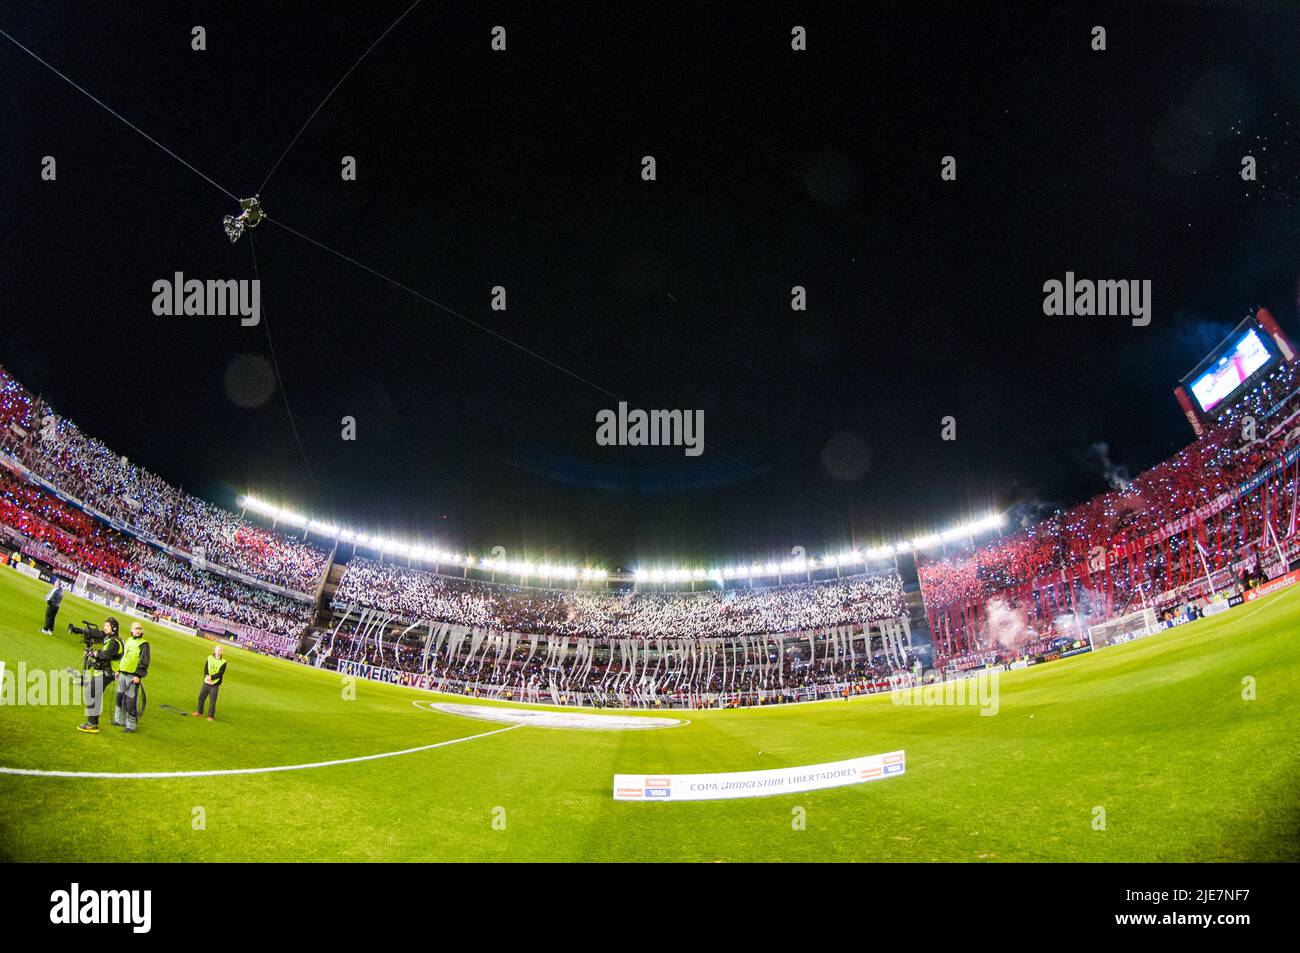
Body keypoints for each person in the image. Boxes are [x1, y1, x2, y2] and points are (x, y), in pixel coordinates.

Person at [77, 618, 123, 734]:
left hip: (107, 673)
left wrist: (94, 653)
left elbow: (106, 655)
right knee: (94, 694)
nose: (104, 628)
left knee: (91, 694)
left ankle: (92, 724)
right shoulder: (110, 639)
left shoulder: (114, 642)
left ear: (114, 628)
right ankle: (93, 722)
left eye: (107, 626)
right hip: (104, 672)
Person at [113, 622, 150, 733]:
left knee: (130, 700)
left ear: (142, 631)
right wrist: (118, 669)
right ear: (132, 630)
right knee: (119, 697)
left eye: (139, 628)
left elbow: (144, 660)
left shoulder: (144, 644)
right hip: (123, 673)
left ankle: (131, 725)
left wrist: (138, 675)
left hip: (133, 676)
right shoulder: (128, 640)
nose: (138, 630)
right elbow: (124, 656)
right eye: (135, 628)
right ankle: (119, 720)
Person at [193, 645, 227, 722]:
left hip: (214, 684)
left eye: (219, 651)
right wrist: (206, 677)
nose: (218, 652)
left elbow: (220, 673)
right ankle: (199, 712)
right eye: (217, 650)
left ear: (222, 652)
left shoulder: (224, 662)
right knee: (201, 697)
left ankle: (210, 716)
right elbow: (205, 668)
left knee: (212, 701)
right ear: (215, 650)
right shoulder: (209, 657)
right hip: (207, 682)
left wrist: (211, 678)